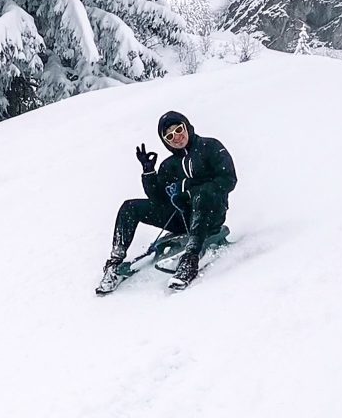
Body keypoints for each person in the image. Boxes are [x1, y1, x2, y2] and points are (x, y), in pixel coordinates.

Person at [96, 111, 237, 294]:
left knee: (201, 195)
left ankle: (191, 259)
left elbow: (228, 179)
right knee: (129, 207)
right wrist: (149, 173)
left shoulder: (210, 147)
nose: (177, 137)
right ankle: (114, 262)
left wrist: (189, 191)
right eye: (169, 136)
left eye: (179, 130)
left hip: (211, 214)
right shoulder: (169, 165)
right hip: (181, 219)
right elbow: (159, 199)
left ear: (186, 126)